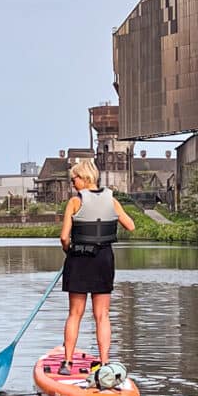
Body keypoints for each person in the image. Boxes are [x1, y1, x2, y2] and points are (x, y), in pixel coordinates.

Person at [58, 159, 135, 376]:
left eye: (74, 179)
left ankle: (67, 363)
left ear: (84, 178)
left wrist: (68, 250)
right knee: (102, 315)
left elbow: (64, 237)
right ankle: (104, 363)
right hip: (103, 259)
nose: (73, 183)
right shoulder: (112, 200)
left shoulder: (75, 202)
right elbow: (130, 225)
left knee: (75, 313)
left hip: (79, 258)